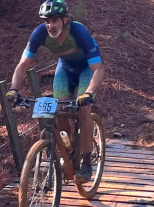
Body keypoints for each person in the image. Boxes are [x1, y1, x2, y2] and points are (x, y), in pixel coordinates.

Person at [6, 0, 104, 183]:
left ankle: (86, 162)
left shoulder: (78, 32)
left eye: (54, 21)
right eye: (46, 21)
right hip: (65, 68)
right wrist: (13, 89)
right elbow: (23, 64)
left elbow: (98, 69)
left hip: (86, 69)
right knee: (60, 111)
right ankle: (69, 152)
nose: (50, 26)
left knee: (84, 110)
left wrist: (88, 93)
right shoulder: (39, 34)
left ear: (65, 19)